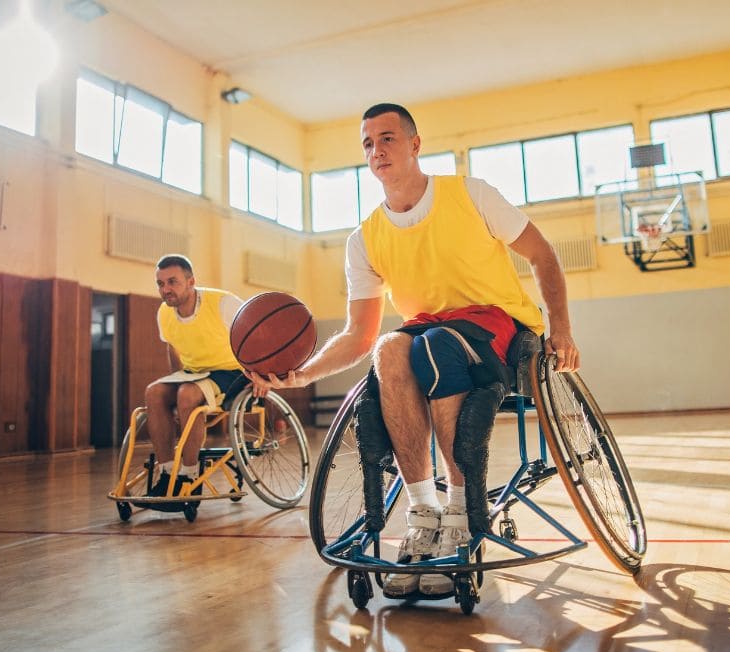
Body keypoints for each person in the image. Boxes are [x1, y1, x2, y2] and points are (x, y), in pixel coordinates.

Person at [251, 103, 579, 597]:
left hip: (500, 327)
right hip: (429, 333)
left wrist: (562, 329)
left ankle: (461, 509)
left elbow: (542, 255)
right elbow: (357, 336)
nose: (376, 150)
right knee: (387, 349)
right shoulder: (365, 239)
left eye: (386, 138)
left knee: (437, 347)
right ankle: (423, 508)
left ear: (414, 144)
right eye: (367, 144)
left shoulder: (470, 193)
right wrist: (301, 375)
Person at [146, 254, 250, 496]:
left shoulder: (222, 303)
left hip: (232, 370)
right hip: (193, 374)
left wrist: (262, 375)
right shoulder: (164, 312)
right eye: (160, 284)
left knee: (187, 394)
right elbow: (172, 348)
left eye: (172, 282)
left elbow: (258, 335)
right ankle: (167, 473)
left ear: (191, 282)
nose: (166, 289)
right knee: (154, 392)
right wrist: (172, 385)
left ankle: (189, 476)